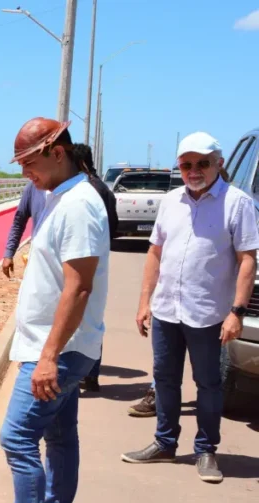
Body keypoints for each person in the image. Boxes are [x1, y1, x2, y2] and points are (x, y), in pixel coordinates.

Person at [0, 117, 109, 503]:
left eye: (29, 163)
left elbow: (78, 288)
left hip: (61, 351)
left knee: (17, 438)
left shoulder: (78, 205)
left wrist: (49, 357)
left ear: (57, 153)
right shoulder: (61, 197)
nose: (25, 174)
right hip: (59, 346)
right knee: (59, 438)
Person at [121, 132, 258, 483]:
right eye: (186, 165)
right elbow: (155, 252)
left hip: (208, 314)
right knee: (165, 379)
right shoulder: (171, 201)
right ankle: (164, 443)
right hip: (167, 310)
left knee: (208, 384)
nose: (194, 170)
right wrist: (144, 302)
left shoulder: (237, 203)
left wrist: (237, 312)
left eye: (202, 163)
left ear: (219, 163)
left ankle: (206, 450)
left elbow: (247, 260)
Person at [69, 142, 118, 392]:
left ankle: (77, 372)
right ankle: (92, 375)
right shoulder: (104, 189)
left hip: (81, 259)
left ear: (78, 163)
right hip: (101, 259)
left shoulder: (83, 191)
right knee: (94, 318)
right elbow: (114, 226)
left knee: (77, 317)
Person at [1, 181, 46, 278]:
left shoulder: (75, 190)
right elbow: (18, 223)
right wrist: (9, 253)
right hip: (38, 259)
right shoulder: (32, 188)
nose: (25, 174)